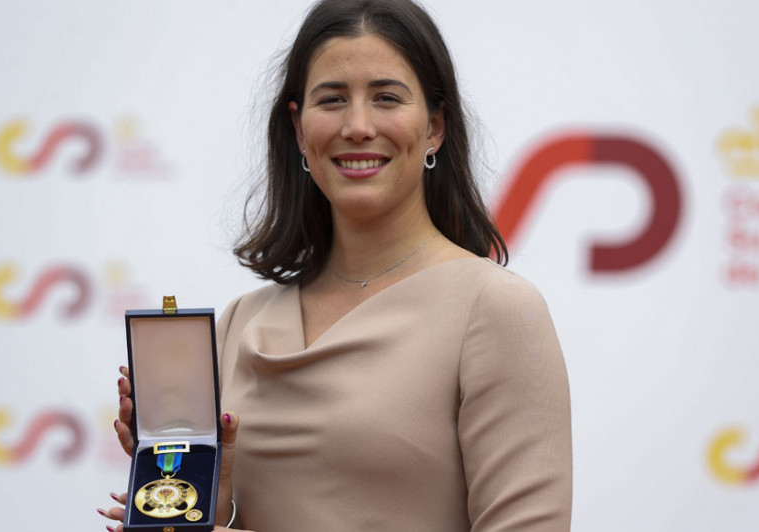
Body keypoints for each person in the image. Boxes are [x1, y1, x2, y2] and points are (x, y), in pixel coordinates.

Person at [102, 0, 571, 530]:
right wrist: (195, 505)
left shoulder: (496, 310)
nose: (357, 126)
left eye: (386, 98)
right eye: (332, 100)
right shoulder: (241, 322)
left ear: (435, 126)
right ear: (299, 130)